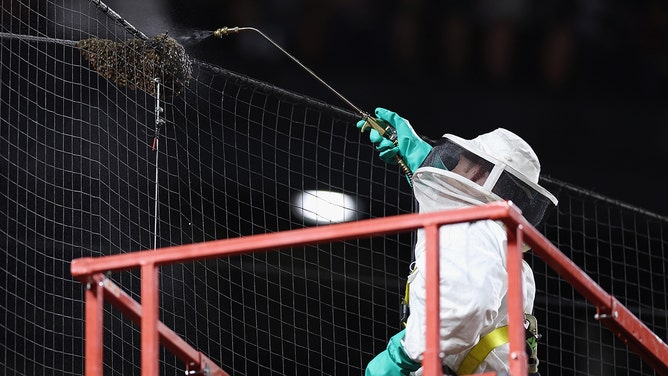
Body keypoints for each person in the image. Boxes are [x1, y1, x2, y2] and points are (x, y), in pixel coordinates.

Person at [357, 107, 558, 375]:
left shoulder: (474, 226)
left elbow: (469, 307)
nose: (452, 165)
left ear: (479, 173)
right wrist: (417, 156)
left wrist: (402, 355)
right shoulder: (495, 238)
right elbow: (447, 205)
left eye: (463, 160)